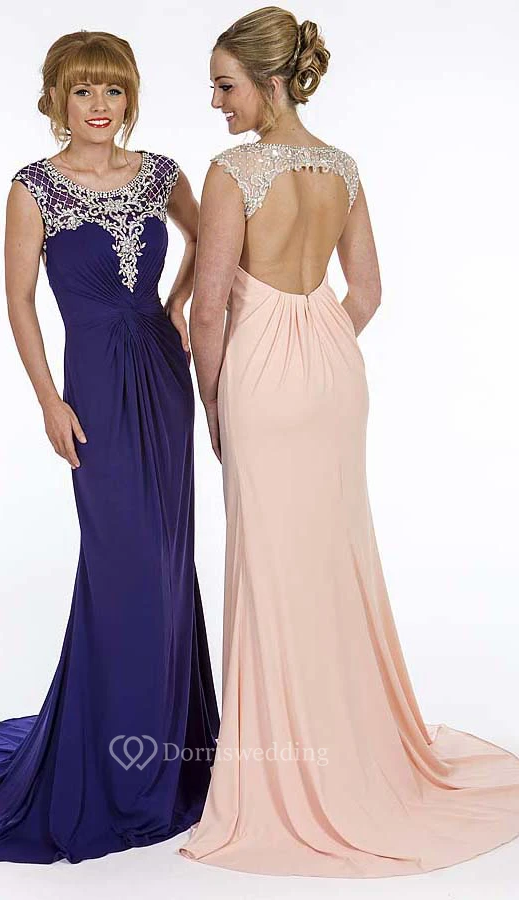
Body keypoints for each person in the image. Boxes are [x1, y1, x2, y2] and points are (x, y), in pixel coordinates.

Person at [178, 6, 519, 877]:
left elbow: (208, 311)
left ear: (269, 82)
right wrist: (315, 341)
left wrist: (216, 402)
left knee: (269, 564)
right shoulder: (344, 168)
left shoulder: (232, 171)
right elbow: (364, 292)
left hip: (259, 382)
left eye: (225, 85)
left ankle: (285, 772)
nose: (217, 103)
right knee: (332, 556)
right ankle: (356, 752)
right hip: (335, 379)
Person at [0, 30, 219, 864]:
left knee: (168, 557)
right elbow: (18, 299)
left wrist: (177, 309)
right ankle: (115, 760)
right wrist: (49, 398)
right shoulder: (33, 188)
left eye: (113, 91)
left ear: (131, 98)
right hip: (92, 387)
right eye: (83, 90)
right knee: (123, 558)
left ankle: (167, 749)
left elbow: (208, 243)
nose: (99, 106)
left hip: (161, 375)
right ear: (55, 97)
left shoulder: (162, 174)